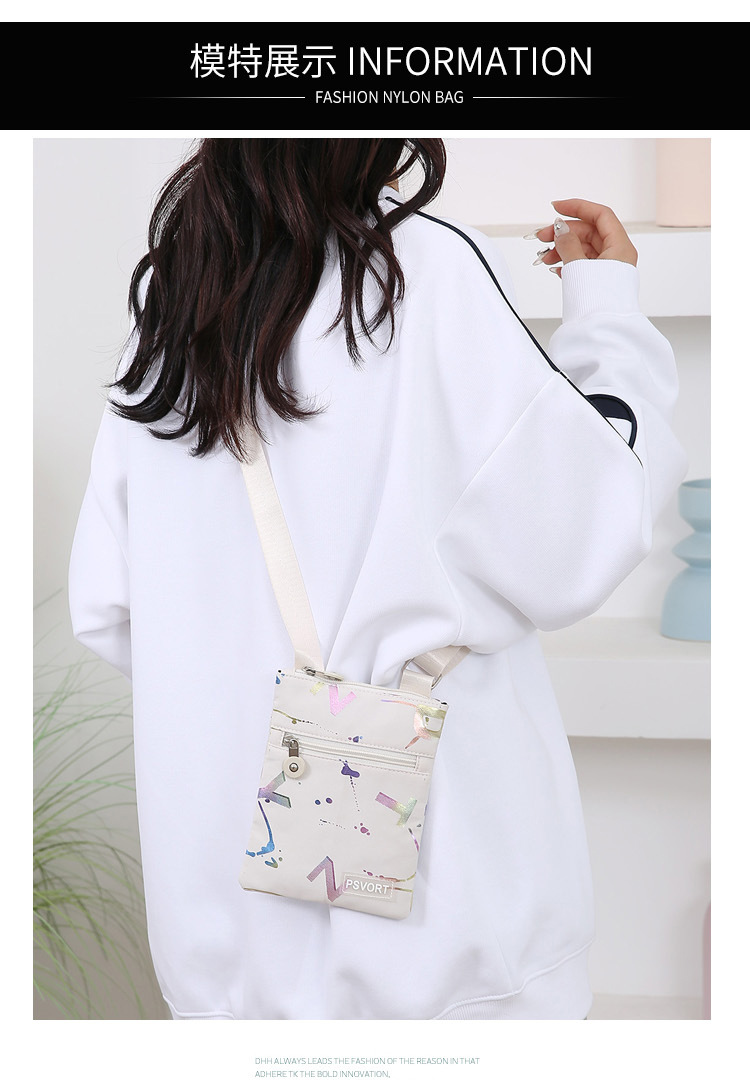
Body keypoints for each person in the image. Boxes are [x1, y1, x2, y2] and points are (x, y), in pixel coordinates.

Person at [68, 138, 687, 1021]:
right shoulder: (420, 266)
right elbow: (587, 532)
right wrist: (607, 311)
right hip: (453, 957)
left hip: (223, 969)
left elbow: (107, 606)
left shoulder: (174, 296)